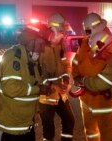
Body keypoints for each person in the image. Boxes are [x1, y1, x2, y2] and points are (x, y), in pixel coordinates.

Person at [0, 23, 53, 141]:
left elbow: (33, 80)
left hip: (25, 124)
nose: (43, 48)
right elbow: (11, 88)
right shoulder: (13, 58)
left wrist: (45, 86)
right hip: (11, 127)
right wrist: (39, 89)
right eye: (41, 44)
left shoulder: (31, 59)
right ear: (31, 41)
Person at [70, 12, 112, 141]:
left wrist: (84, 80)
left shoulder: (108, 42)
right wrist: (75, 76)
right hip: (86, 100)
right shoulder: (85, 43)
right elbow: (76, 62)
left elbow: (109, 73)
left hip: (104, 103)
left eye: (88, 30)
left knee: (106, 135)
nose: (87, 34)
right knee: (91, 133)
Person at [38, 13, 75, 141]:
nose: (62, 34)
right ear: (51, 30)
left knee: (69, 121)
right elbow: (35, 74)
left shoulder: (60, 45)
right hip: (45, 95)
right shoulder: (39, 46)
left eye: (62, 31)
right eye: (60, 31)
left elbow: (65, 63)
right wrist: (51, 85)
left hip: (60, 93)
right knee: (48, 130)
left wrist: (66, 79)